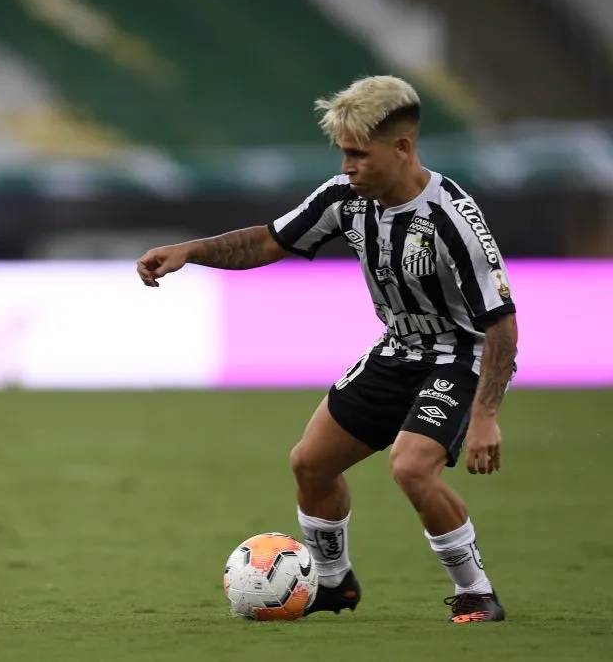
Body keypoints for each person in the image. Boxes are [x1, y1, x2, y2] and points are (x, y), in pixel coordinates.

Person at [136, 75, 517, 624]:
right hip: (397, 350)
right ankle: (335, 585)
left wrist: (485, 417)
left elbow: (501, 324)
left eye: (358, 154)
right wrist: (190, 251)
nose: (347, 166)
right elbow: (269, 240)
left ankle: (475, 591)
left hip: (460, 358)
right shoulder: (346, 197)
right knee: (310, 464)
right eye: (343, 153)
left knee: (411, 468)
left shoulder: (451, 218)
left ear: (402, 147)